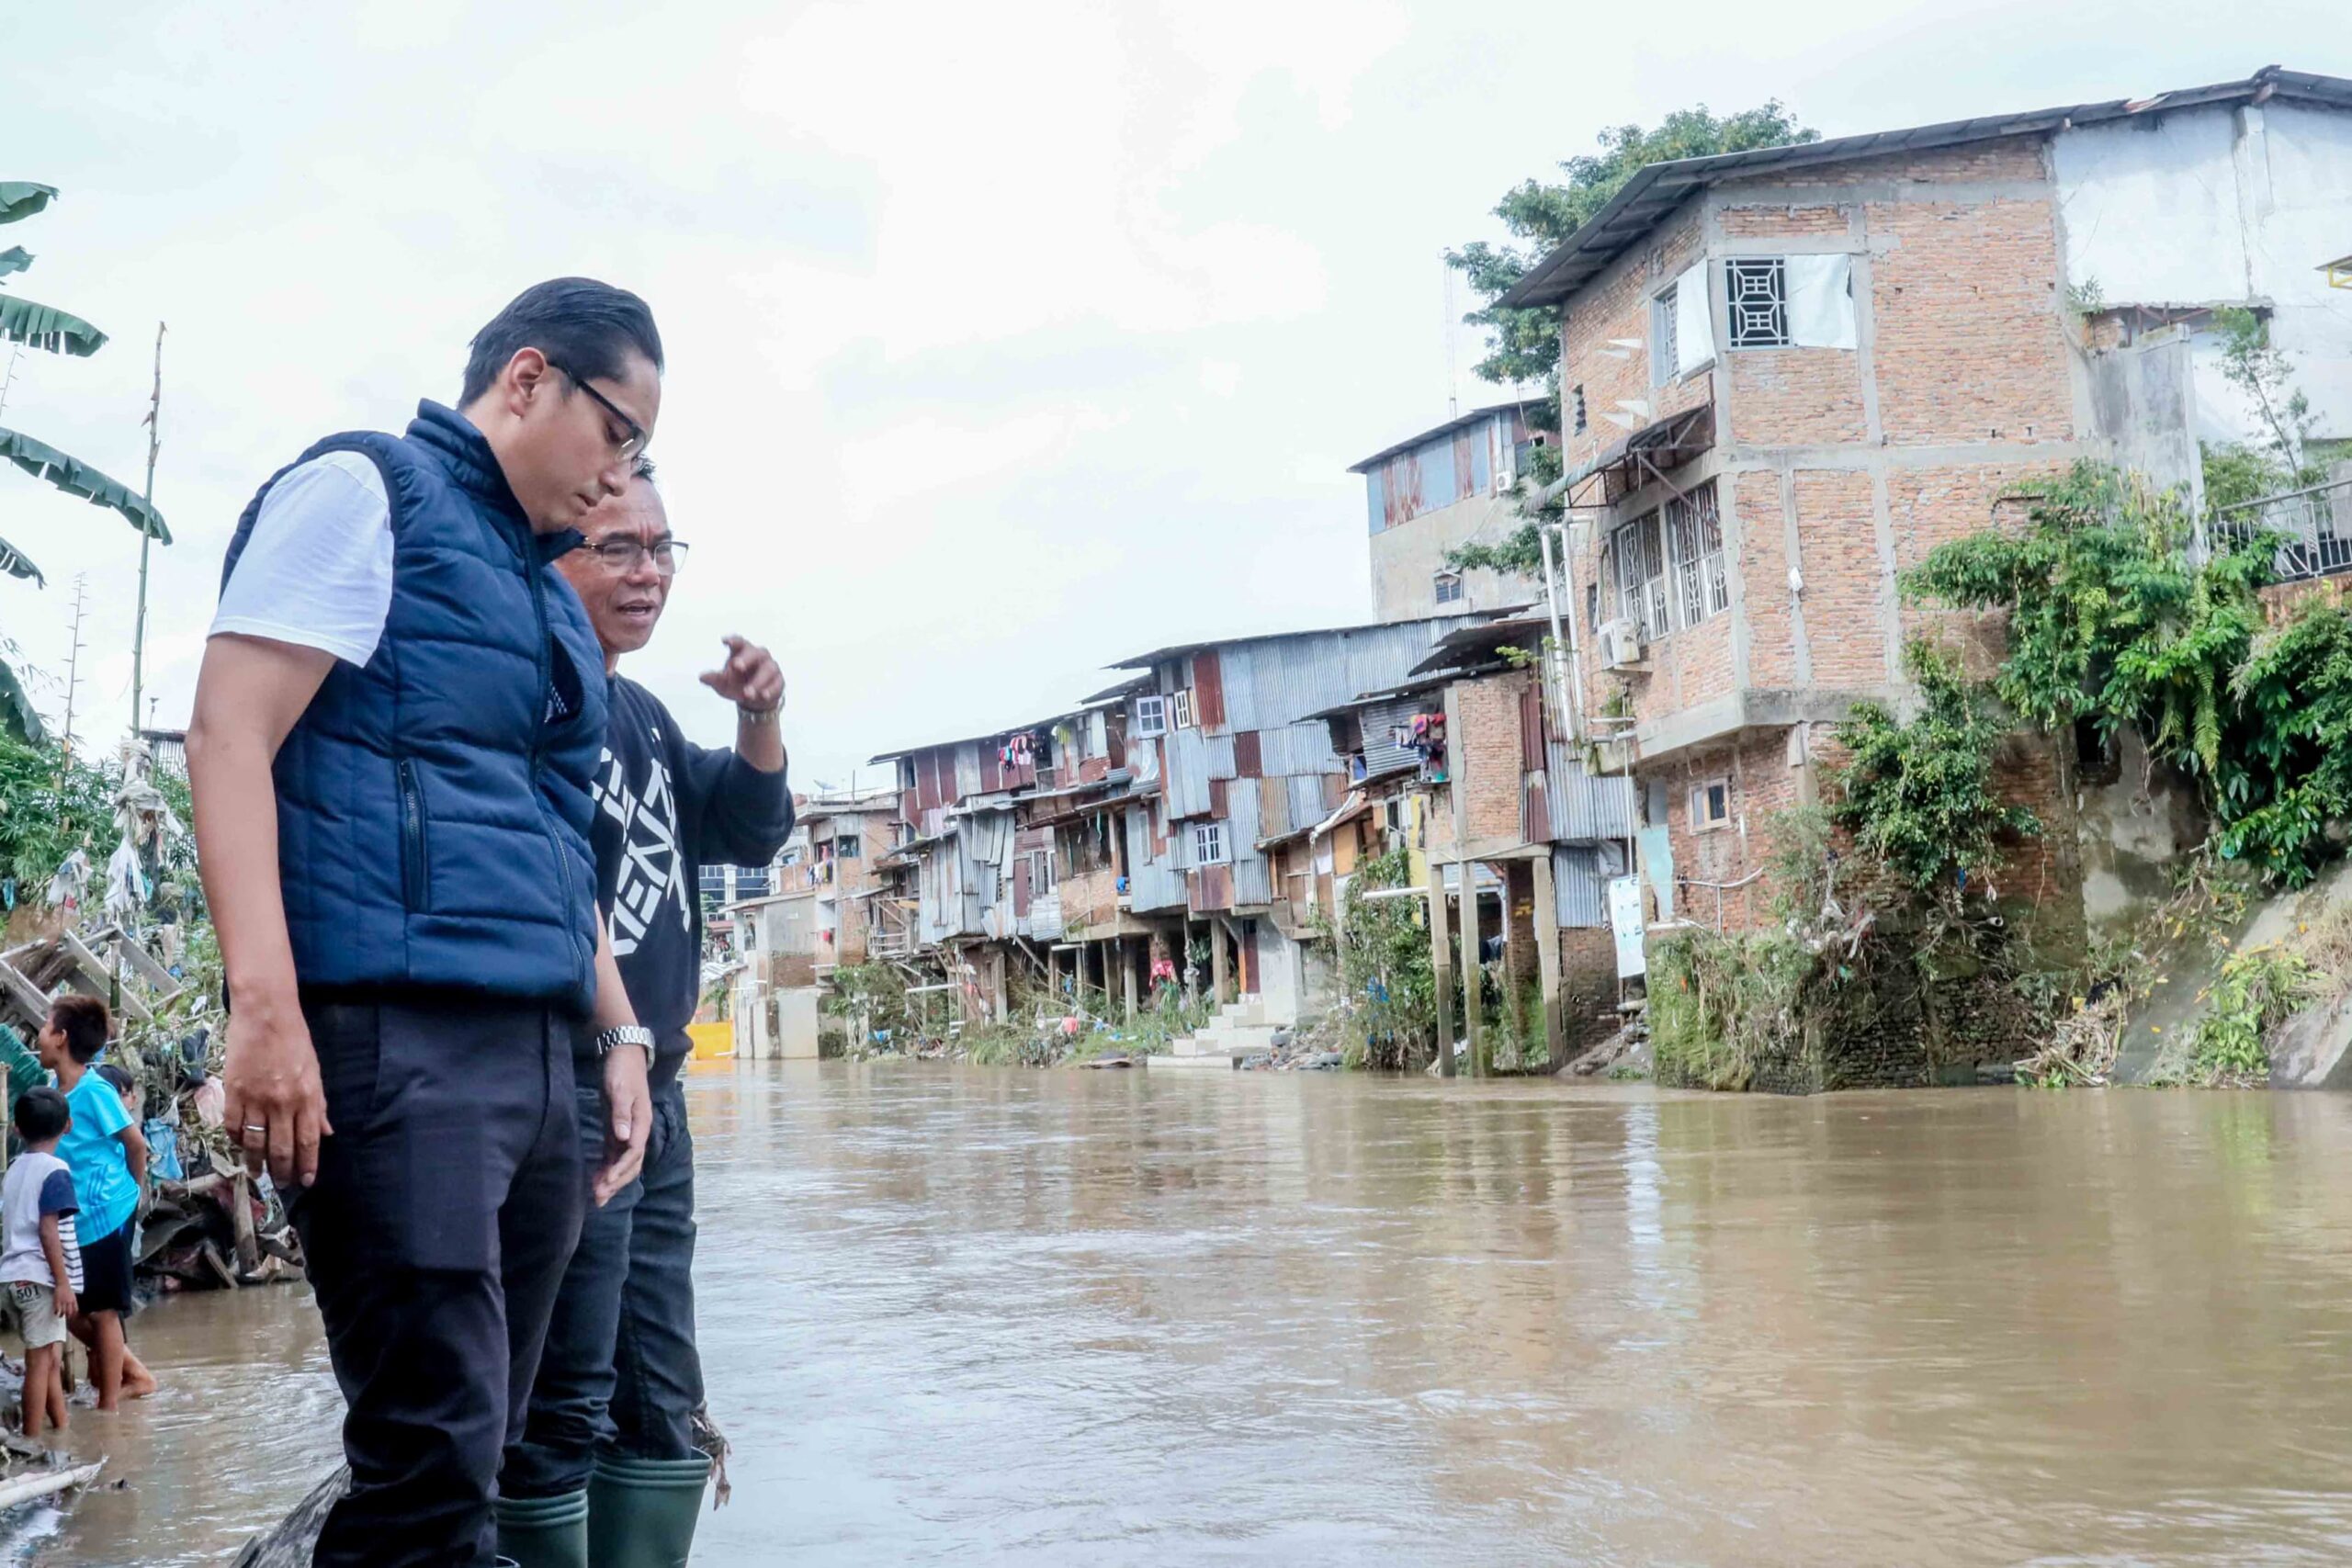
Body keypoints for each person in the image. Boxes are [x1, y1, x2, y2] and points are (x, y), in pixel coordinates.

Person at [188, 277, 667, 1567]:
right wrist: (265, 1007)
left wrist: (613, 1040)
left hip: (536, 1054)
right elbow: (231, 732)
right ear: (527, 379)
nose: (622, 472)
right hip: (396, 1036)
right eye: (617, 431)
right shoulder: (365, 493)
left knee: (485, 1447)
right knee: (432, 1446)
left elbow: (558, 843)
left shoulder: (539, 590)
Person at [498, 462, 792, 1568]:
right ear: (550, 553)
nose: (649, 572)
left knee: (663, 1389)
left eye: (663, 548)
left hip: (654, 1092)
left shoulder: (644, 716)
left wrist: (762, 716)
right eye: (617, 547)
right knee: (565, 1387)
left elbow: (748, 825)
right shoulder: (527, 699)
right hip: (567, 1083)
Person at [36, 996, 153, 1408]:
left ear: (62, 1037)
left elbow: (136, 1145)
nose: (40, 1034)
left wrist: (132, 1196)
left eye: (46, 1026)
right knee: (70, 1308)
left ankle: (109, 1408)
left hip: (107, 1213)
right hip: (75, 1218)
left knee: (102, 1311)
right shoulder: (54, 1089)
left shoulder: (94, 1089)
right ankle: (135, 1375)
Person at [2, 1084, 82, 1439]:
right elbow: (50, 1231)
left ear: (17, 1129)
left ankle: (61, 1426)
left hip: (11, 1277)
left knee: (47, 1358)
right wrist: (63, 1283)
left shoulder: (15, 1168)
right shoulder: (56, 1170)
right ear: (68, 1126)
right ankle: (31, 1440)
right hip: (40, 1279)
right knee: (38, 1362)